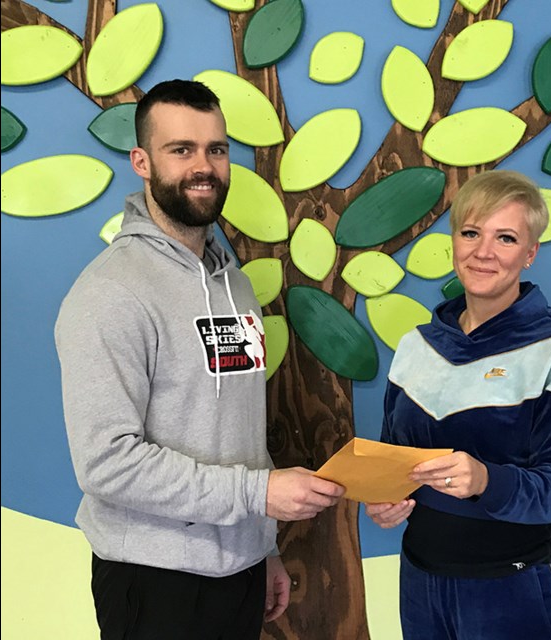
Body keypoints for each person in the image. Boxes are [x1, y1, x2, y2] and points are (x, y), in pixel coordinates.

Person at [54, 79, 345, 640]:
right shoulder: (110, 293)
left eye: (216, 149)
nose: (204, 166)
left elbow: (236, 430)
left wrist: (261, 549)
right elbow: (106, 464)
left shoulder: (232, 282)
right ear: (141, 161)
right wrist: (258, 495)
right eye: (180, 150)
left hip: (236, 572)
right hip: (152, 578)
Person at [365, 170, 551, 639]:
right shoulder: (417, 345)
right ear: (454, 241)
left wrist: (486, 480)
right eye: (471, 232)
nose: (483, 252)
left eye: (506, 237)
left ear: (530, 253)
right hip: (420, 579)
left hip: (512, 586)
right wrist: (385, 498)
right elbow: (394, 457)